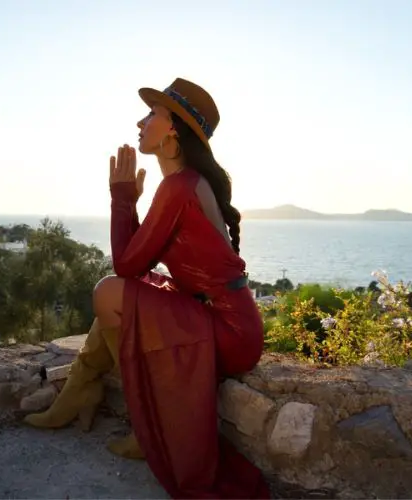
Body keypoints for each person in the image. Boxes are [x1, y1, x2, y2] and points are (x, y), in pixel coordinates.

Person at [24, 78, 269, 499]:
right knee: (125, 298)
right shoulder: (182, 184)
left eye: (152, 114)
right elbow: (137, 264)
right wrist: (131, 204)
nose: (141, 121)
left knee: (108, 292)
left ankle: (140, 423)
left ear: (174, 129)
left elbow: (124, 265)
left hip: (229, 331)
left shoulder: (180, 187)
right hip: (214, 315)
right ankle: (83, 393)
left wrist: (122, 199)